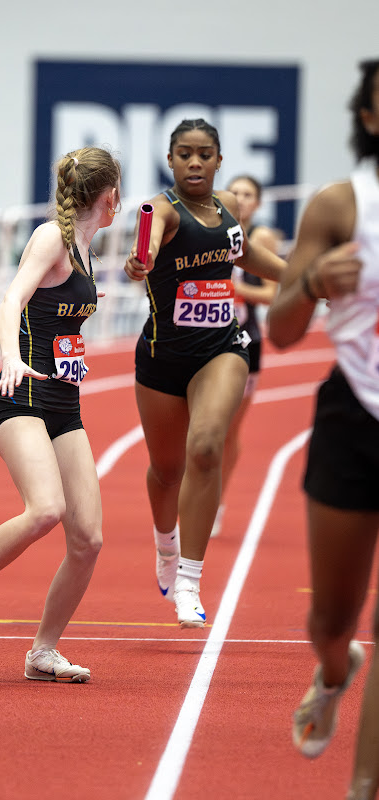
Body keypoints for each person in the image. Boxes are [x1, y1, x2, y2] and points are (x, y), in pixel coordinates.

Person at [0, 146, 121, 683]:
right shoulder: (50, 237)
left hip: (63, 406)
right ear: (112, 196)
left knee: (89, 539)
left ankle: (43, 652)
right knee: (45, 509)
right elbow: (11, 299)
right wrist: (10, 356)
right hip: (20, 397)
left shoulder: (86, 249)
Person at [267, 60, 379, 800]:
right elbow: (278, 331)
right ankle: (334, 668)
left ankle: (363, 785)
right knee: (330, 617)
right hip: (355, 419)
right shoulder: (341, 206)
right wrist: (309, 283)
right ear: (368, 117)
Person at [124, 119, 285, 628]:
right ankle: (166, 544)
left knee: (208, 445)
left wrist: (301, 275)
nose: (195, 163)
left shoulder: (231, 209)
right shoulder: (158, 210)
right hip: (163, 356)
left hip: (222, 348)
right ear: (169, 161)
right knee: (167, 470)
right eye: (185, 155)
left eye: (205, 154)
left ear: (219, 160)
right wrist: (139, 263)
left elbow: (246, 255)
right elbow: (145, 249)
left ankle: (190, 581)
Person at [211, 174, 281, 537]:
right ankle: (202, 495)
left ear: (257, 202)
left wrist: (235, 289)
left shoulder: (263, 239)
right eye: (235, 191)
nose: (240, 197)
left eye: (248, 193)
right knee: (203, 425)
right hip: (206, 340)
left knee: (228, 430)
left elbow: (274, 293)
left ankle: (217, 501)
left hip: (246, 341)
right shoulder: (211, 229)